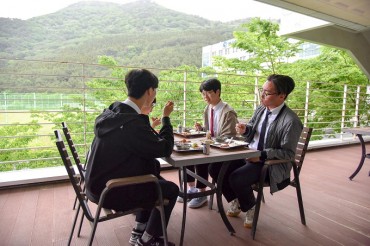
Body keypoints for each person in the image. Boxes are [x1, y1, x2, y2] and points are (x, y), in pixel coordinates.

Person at [84, 69, 179, 246]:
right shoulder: (130, 123)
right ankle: (149, 239)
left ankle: (139, 230)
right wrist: (166, 118)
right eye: (155, 91)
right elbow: (164, 148)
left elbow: (140, 142)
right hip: (111, 190)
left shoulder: (114, 112)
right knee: (171, 189)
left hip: (95, 184)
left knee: (154, 179)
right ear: (150, 91)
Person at [209, 74, 303, 228]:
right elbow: (252, 130)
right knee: (214, 167)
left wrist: (261, 155)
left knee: (236, 177)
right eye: (262, 90)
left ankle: (251, 207)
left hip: (269, 163)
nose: (262, 95)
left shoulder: (291, 121)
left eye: (267, 92)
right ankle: (236, 200)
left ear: (282, 96)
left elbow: (288, 154)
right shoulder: (261, 109)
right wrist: (245, 129)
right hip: (249, 154)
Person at [177, 78, 238, 209]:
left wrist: (209, 139)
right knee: (188, 153)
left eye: (208, 93)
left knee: (200, 157)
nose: (205, 97)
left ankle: (202, 193)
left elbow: (228, 137)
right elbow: (210, 131)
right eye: (203, 94)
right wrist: (202, 130)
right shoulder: (208, 108)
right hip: (213, 146)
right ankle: (193, 188)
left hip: (224, 150)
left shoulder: (228, 112)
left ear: (218, 92)